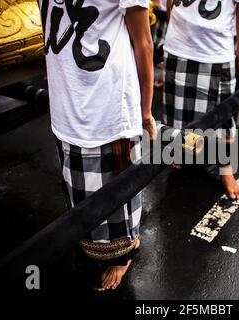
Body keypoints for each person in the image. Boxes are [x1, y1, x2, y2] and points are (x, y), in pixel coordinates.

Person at [38, 0, 156, 291]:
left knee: (114, 184)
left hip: (107, 96)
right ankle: (99, 242)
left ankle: (123, 252)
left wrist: (145, 110)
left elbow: (144, 43)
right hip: (69, 88)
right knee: (78, 179)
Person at [163, 0, 239, 200]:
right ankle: (181, 149)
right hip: (178, 46)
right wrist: (173, 28)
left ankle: (226, 168)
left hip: (215, 50)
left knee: (222, 116)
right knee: (179, 109)